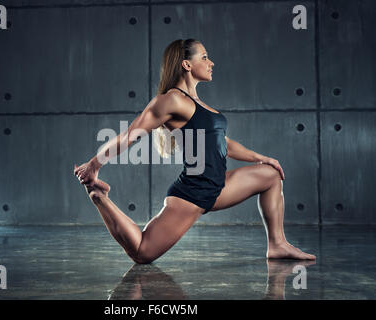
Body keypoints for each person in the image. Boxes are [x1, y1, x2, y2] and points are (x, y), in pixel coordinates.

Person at [74, 39, 316, 264]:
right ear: (187, 64)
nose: (211, 63)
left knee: (271, 176)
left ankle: (277, 245)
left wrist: (261, 158)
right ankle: (99, 197)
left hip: (218, 185)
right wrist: (94, 164)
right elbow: (130, 134)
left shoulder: (201, 104)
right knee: (142, 252)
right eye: (205, 57)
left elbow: (223, 142)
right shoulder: (171, 100)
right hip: (193, 191)